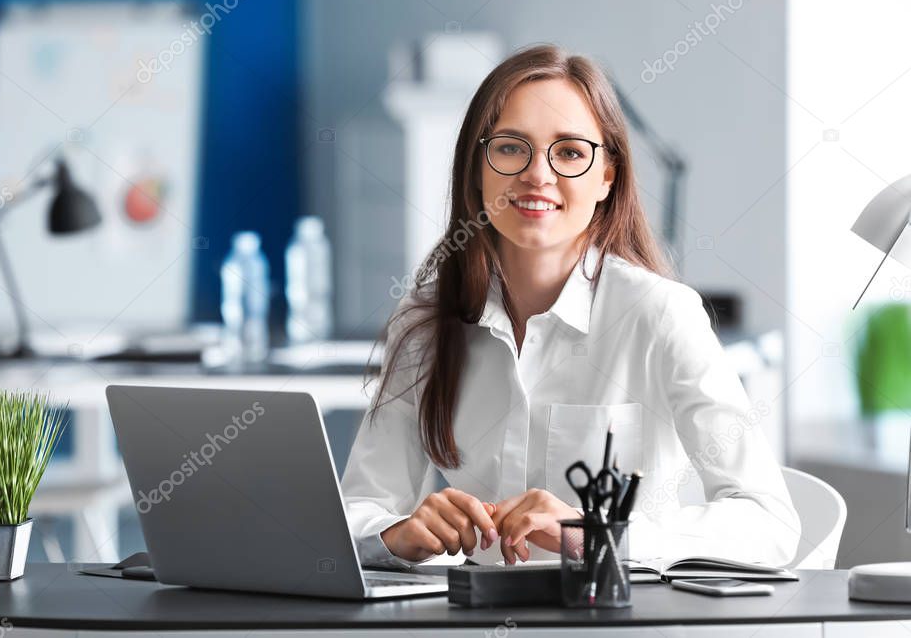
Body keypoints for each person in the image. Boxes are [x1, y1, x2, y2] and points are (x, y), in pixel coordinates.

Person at [339, 43, 800, 568]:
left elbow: (769, 523)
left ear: (607, 176)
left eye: (570, 152)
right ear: (477, 169)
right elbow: (359, 511)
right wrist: (399, 533)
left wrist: (597, 533)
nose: (538, 174)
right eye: (512, 148)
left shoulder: (661, 314)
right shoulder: (425, 320)